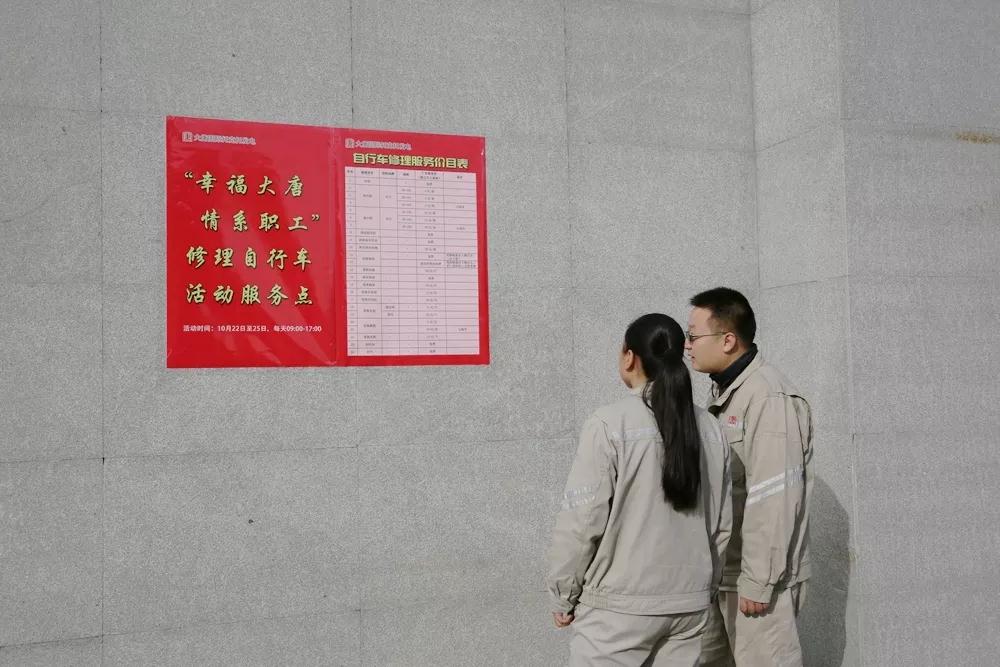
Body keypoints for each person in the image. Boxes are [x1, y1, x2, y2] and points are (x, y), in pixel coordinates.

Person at [546, 313, 732, 666]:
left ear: (629, 357)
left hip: (620, 610)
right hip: (688, 606)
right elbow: (721, 525)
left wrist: (563, 593)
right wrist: (704, 589)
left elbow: (582, 520)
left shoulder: (608, 424)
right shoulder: (711, 427)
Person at [685, 288, 813, 667]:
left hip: (756, 586)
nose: (687, 346)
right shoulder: (727, 394)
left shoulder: (768, 398)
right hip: (723, 577)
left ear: (728, 340)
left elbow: (775, 495)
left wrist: (759, 581)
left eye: (693, 336)